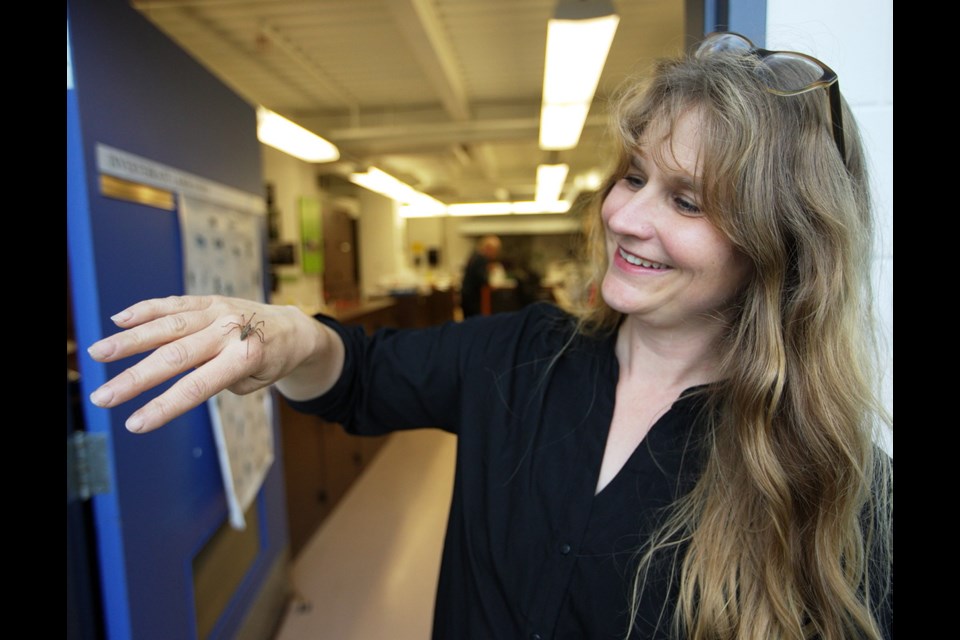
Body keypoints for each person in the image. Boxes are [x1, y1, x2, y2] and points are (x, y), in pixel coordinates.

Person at [86, 32, 892, 639]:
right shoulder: (521, 354)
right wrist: (293, 339)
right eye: (635, 175)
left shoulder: (839, 491)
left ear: (777, 244)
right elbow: (357, 373)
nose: (625, 217)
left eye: (688, 202)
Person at [459, 234, 501, 317]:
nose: (495, 253)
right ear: (488, 248)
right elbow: (483, 279)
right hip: (472, 299)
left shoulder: (476, 255)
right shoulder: (481, 259)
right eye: (495, 250)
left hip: (467, 296)